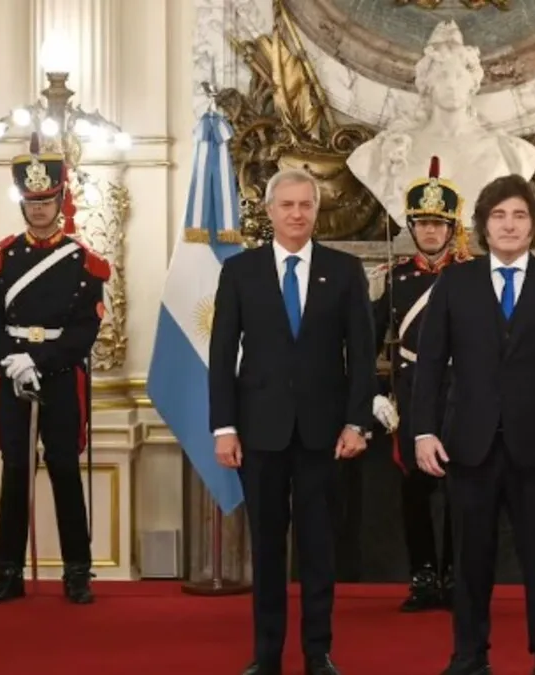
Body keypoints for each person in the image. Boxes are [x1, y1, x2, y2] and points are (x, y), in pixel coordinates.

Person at [412, 174, 535, 675]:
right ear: (483, 225)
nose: (509, 225)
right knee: (470, 562)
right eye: (499, 216)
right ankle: (469, 656)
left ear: (534, 225)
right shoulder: (455, 281)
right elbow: (429, 364)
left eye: (519, 215)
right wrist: (423, 431)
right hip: (467, 448)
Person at [209, 168, 376, 675]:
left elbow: (363, 356)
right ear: (270, 210)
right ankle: (266, 655)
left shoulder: (345, 271)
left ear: (316, 210)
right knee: (265, 549)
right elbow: (221, 356)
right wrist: (224, 427)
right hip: (258, 434)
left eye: (306, 205)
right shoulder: (240, 271)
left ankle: (317, 652)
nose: (297, 214)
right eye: (287, 205)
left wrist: (356, 423)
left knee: (320, 547)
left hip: (324, 436)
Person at [0, 132, 108, 605]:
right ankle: (7, 572)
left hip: (59, 376)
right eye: (31, 201)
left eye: (47, 201)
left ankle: (77, 572)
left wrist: (38, 359)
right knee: (15, 470)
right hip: (14, 378)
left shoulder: (86, 264)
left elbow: (82, 334)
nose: (38, 209)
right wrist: (12, 364)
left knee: (65, 470)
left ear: (60, 200)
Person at [371, 157, 469, 612]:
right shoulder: (392, 279)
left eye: (438, 223)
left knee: (460, 492)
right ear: (411, 225)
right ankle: (423, 577)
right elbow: (368, 342)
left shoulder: (475, 276)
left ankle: (455, 575)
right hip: (411, 396)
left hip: (462, 394)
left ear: (453, 228)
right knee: (415, 493)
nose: (430, 232)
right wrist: (374, 395)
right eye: (422, 223)